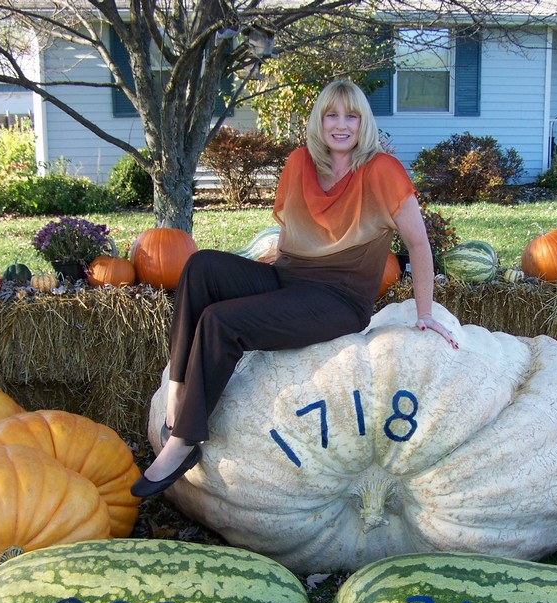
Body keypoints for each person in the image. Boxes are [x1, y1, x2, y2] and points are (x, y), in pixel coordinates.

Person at [131, 79, 457, 498]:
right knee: (200, 266)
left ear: (364, 123)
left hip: (338, 298)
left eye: (352, 116)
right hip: (289, 278)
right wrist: (269, 269)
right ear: (319, 121)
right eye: (331, 115)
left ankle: (183, 442)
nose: (341, 125)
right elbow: (290, 230)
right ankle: (177, 395)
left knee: (220, 322)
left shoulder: (382, 170)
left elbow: (418, 244)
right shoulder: (300, 162)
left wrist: (424, 313)